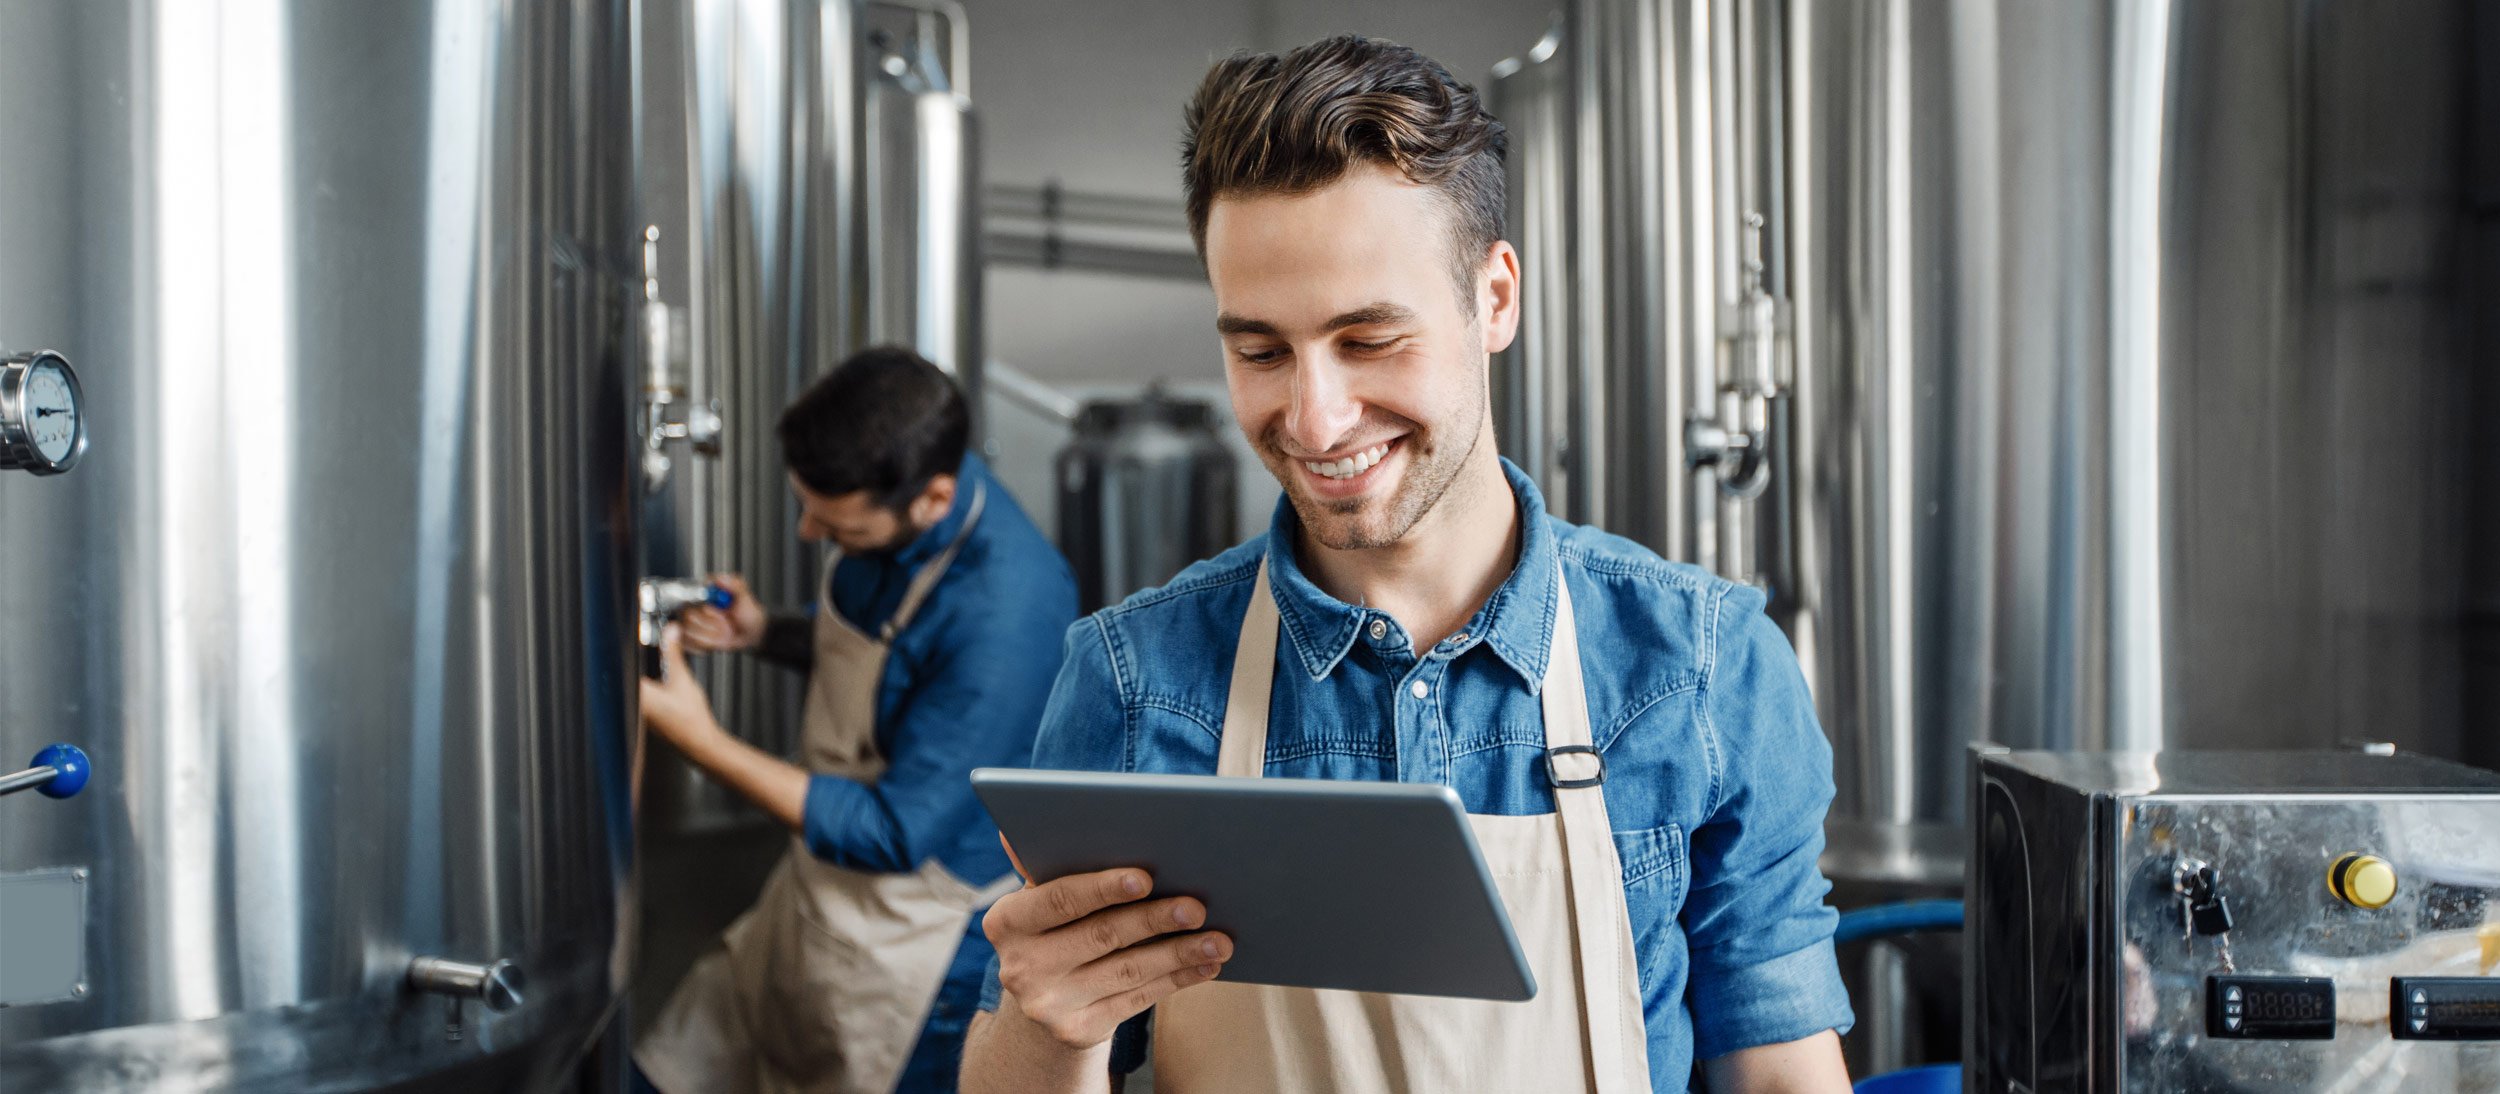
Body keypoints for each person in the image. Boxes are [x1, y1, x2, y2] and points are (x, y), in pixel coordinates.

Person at [962, 35, 1854, 1094]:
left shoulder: (1703, 667)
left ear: (1495, 298)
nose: (1314, 418)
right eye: (1260, 351)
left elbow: (1783, 1073)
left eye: (1369, 339)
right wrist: (1049, 1030)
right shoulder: (1134, 680)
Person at [635, 347, 1079, 1094]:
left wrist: (703, 744)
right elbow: (893, 660)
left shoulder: (1008, 615)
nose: (807, 531)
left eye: (837, 525)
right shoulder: (910, 487)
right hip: (813, 886)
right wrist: (765, 632)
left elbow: (894, 833)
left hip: (911, 935)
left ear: (934, 500)